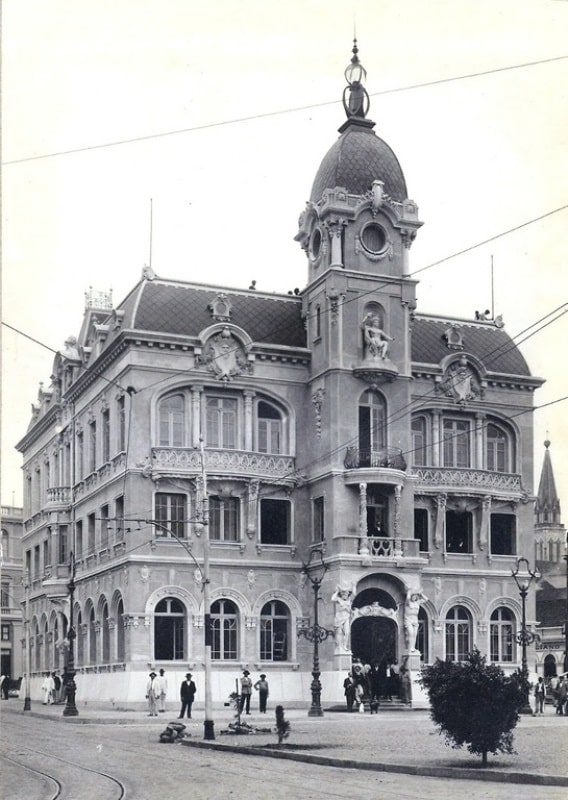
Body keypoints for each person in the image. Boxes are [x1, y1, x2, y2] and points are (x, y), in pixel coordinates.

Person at [331, 585, 355, 652]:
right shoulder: (339, 600)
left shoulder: (349, 601)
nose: (345, 595)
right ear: (341, 595)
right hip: (339, 618)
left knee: (347, 632)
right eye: (344, 594)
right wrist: (337, 591)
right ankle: (339, 646)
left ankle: (345, 646)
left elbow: (354, 594)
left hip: (346, 618)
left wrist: (353, 585)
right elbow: (332, 599)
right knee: (339, 632)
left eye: (346, 594)